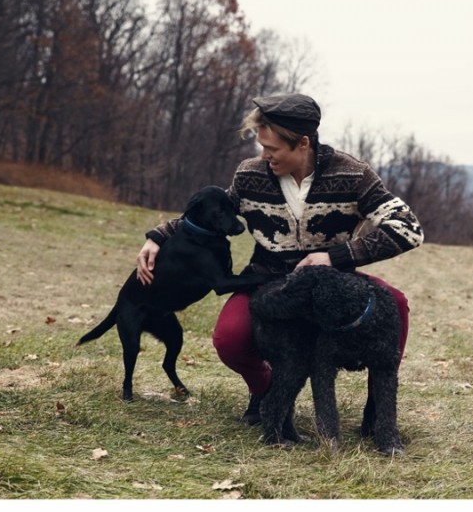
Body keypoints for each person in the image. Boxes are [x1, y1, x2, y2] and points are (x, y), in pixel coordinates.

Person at [136, 93, 424, 424]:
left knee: (396, 305)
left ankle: (379, 408)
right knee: (228, 338)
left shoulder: (354, 175)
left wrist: (334, 257)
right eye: (262, 147)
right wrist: (159, 236)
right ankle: (267, 390)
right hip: (267, 278)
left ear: (303, 143)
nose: (264, 156)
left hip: (332, 282)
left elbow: (409, 229)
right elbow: (212, 213)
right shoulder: (250, 175)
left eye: (272, 149)